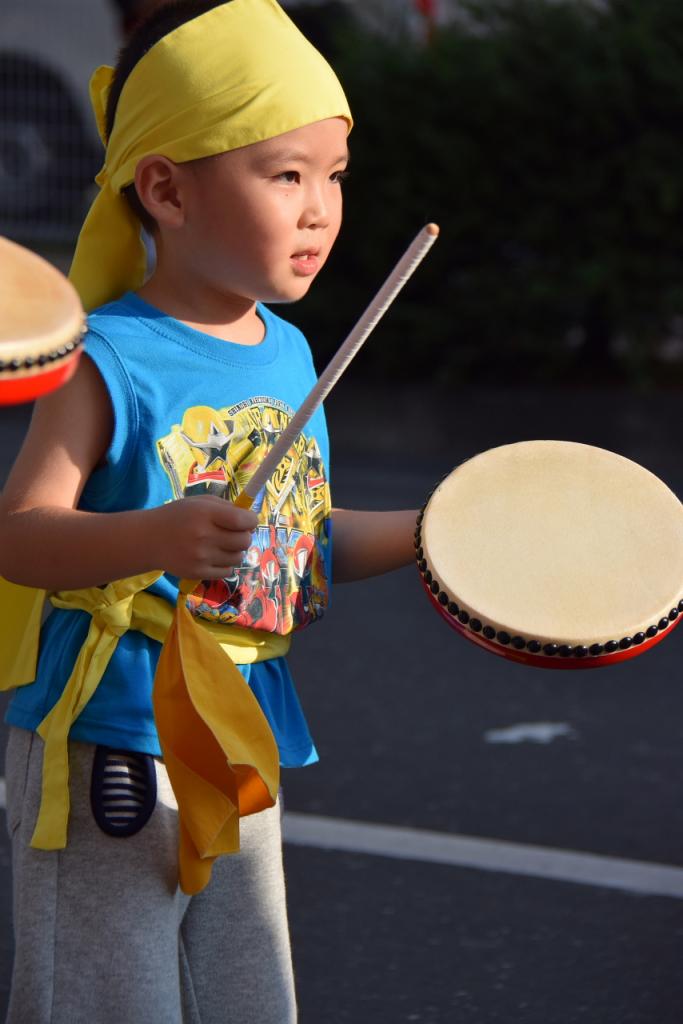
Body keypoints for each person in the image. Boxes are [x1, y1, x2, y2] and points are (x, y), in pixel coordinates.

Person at [0, 1, 417, 1021]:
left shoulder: (291, 352)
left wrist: (434, 530)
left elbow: (300, 541)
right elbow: (19, 533)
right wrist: (157, 534)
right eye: (286, 175)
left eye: (334, 176)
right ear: (166, 190)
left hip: (242, 736)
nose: (319, 209)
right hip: (110, 735)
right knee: (109, 1003)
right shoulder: (105, 355)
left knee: (248, 997)